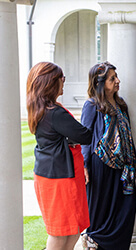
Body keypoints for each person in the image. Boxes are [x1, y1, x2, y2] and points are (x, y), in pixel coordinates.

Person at [27, 62, 92, 250]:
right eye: (62, 78)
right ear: (51, 82)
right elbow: (84, 135)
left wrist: (67, 139)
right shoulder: (54, 113)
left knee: (69, 232)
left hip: (51, 174)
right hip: (59, 177)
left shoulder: (41, 109)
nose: (64, 82)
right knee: (61, 233)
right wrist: (69, 139)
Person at [81, 61, 136, 249]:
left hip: (125, 166)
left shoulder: (121, 105)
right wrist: (85, 165)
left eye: (116, 77)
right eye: (112, 79)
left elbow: (128, 136)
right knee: (103, 208)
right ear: (99, 82)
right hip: (102, 166)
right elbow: (85, 136)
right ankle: (96, 242)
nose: (117, 81)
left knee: (127, 208)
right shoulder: (92, 105)